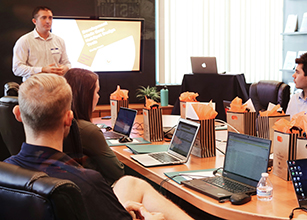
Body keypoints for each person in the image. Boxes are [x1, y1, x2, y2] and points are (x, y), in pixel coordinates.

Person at [4, 74, 192, 220]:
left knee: (129, 183)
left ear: (18, 113)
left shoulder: (5, 172)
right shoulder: (85, 182)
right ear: (69, 119)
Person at [64, 68, 124, 185]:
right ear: (85, 96)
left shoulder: (60, 123)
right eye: (96, 92)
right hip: (98, 190)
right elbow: (118, 172)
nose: (98, 97)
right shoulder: (88, 130)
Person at [12, 6, 70, 81]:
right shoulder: (24, 41)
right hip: (34, 87)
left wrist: (65, 68)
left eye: (50, 18)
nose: (48, 21)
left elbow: (67, 63)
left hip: (55, 86)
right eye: (43, 18)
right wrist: (42, 70)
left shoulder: (59, 40)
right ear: (34, 21)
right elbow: (17, 69)